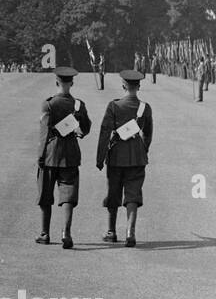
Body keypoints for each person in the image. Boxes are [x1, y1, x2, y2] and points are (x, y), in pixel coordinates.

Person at [95, 69, 154, 248]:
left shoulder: (114, 106)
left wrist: (100, 157)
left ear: (123, 85)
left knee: (113, 192)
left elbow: (105, 132)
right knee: (133, 194)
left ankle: (111, 231)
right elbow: (148, 134)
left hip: (116, 155)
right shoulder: (145, 107)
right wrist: (143, 150)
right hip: (137, 156)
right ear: (139, 86)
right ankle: (130, 232)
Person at [37, 66, 91, 249]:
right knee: (68, 194)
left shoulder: (49, 104)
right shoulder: (78, 105)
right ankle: (65, 232)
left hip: (51, 153)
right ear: (72, 83)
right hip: (70, 154)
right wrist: (79, 131)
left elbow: (44, 133)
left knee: (45, 192)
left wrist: (40, 155)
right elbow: (86, 128)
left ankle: (44, 233)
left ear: (56, 82)